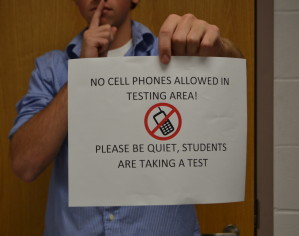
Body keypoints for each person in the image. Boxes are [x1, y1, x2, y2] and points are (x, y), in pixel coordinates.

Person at [9, 0, 242, 235]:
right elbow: (25, 165)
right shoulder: (51, 69)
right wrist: (83, 75)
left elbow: (231, 77)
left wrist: (216, 46)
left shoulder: (173, 54)